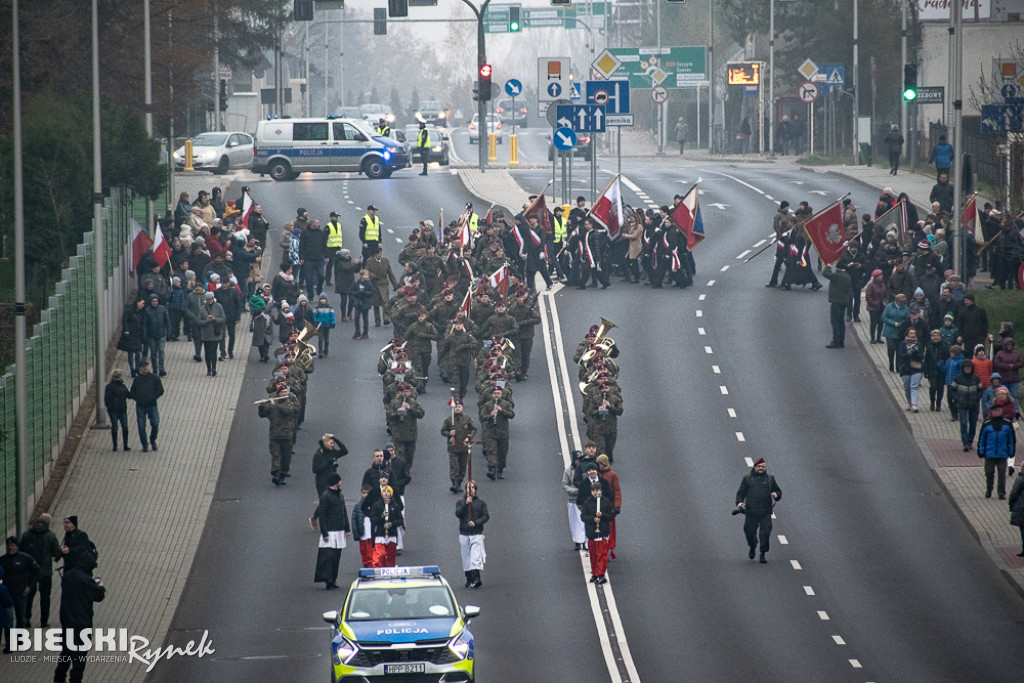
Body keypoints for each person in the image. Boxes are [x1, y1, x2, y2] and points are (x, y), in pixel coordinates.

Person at [52, 551, 104, 683]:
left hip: (67, 620)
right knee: (80, 655)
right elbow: (98, 596)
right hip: (82, 623)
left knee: (66, 652)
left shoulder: (68, 576)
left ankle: (59, 677)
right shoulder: (86, 580)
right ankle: (75, 679)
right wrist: (100, 587)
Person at [735, 457, 782, 564]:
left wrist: (776, 495)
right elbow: (740, 493)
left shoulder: (770, 479)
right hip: (751, 511)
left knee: (765, 533)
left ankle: (763, 553)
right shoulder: (747, 479)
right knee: (749, 532)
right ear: (755, 467)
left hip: (765, 511)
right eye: (759, 466)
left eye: (763, 467)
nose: (761, 468)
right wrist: (739, 503)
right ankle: (753, 545)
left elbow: (778, 492)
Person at [18, 514, 62, 628]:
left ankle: (26, 619)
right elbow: (56, 553)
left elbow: (21, 550)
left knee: (29, 595)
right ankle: (43, 621)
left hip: (30, 571)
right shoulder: (50, 536)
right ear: (48, 523)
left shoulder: (27, 535)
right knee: (45, 596)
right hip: (45, 572)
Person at [313, 473, 350, 590]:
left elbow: (344, 512)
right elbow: (322, 516)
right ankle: (328, 579)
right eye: (340, 480)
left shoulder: (340, 495)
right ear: (336, 482)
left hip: (339, 531)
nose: (341, 482)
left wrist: (347, 528)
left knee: (336, 557)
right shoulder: (326, 497)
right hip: (330, 531)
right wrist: (324, 533)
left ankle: (333, 578)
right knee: (328, 557)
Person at [258, 387, 300, 485]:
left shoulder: (289, 403)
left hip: (286, 434)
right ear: (278, 393)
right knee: (276, 455)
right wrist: (262, 406)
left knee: (286, 456)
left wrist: (274, 404)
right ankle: (276, 474)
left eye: (285, 392)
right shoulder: (272, 404)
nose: (284, 394)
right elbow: (262, 414)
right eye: (282, 392)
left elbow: (288, 411)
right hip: (274, 434)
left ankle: (283, 473)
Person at [0, 536, 39, 641]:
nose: (10, 548)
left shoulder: (25, 558)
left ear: (17, 547)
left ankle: (20, 639)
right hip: (7, 594)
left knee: (21, 617)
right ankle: (10, 640)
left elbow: (37, 571)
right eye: (8, 546)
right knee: (8, 618)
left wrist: (30, 586)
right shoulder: (2, 560)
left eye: (12, 545)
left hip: (21, 593)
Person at [581, 482, 617, 585]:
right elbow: (583, 517)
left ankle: (601, 574)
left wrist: (603, 515)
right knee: (593, 555)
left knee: (601, 554)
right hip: (592, 532)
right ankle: (595, 573)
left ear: (601, 491)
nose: (596, 493)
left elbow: (610, 516)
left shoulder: (605, 502)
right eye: (594, 491)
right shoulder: (587, 503)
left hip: (602, 532)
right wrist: (593, 519)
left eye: (598, 490)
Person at [977, 402, 1015, 499]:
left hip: (1002, 454)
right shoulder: (987, 423)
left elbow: (1011, 439)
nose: (995, 412)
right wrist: (980, 450)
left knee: (1002, 474)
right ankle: (989, 490)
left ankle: (1001, 493)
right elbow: (981, 438)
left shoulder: (1007, 423)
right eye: (994, 410)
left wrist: (1011, 452)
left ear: (1002, 411)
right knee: (989, 473)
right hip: (989, 454)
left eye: (998, 410)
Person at [455, 481, 489, 589]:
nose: (471, 490)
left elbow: (485, 516)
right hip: (464, 533)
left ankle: (476, 578)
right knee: (466, 557)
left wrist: (476, 523)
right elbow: (458, 514)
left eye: (473, 488)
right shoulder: (460, 502)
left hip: (476, 533)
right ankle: (469, 578)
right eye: (469, 488)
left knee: (475, 556)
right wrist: (466, 504)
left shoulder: (481, 503)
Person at [387, 382, 425, 472]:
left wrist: (410, 409)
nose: (405, 393)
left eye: (407, 391)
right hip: (398, 433)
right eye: (403, 391)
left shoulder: (413, 403)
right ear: (399, 392)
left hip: (411, 434)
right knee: (400, 454)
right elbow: (389, 416)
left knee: (409, 455)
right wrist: (397, 413)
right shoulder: (394, 403)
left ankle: (407, 469)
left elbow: (421, 414)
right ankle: (400, 471)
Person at [128, 360, 163, 453]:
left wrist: (153, 397)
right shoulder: (137, 379)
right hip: (140, 406)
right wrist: (137, 398)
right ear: (140, 369)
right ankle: (144, 444)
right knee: (141, 426)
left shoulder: (154, 378)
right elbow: (132, 392)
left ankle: (152, 440)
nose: (145, 368)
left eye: (146, 366)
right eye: (143, 367)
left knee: (155, 423)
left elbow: (160, 390)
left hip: (152, 405)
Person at [481, 385, 515, 480]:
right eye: (494, 393)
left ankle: (500, 469)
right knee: (491, 450)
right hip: (491, 431)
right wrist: (490, 415)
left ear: (501, 394)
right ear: (492, 395)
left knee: (502, 453)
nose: (496, 395)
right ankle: (491, 469)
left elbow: (512, 415)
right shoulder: (487, 405)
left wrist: (502, 411)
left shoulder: (506, 404)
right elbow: (482, 417)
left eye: (498, 393)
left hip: (503, 432)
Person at [442, 400, 477, 494]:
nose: (457, 408)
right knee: (454, 466)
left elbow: (473, 429)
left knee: (462, 466)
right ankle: (454, 483)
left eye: (459, 407)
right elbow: (443, 431)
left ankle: (459, 483)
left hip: (464, 446)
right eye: (455, 407)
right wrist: (449, 433)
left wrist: (469, 437)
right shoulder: (449, 419)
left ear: (462, 408)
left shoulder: (467, 419)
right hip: (453, 446)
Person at [951, 358, 983, 451]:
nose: (967, 369)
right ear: (963, 368)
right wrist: (957, 398)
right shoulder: (958, 378)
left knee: (973, 424)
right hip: (962, 404)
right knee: (964, 423)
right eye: (966, 367)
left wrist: (977, 399)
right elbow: (952, 390)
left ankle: (970, 441)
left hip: (974, 405)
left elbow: (980, 390)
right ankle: (965, 442)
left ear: (972, 368)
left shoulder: (976, 378)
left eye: (969, 367)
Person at [370, 485, 403, 568]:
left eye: (388, 492)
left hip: (391, 535)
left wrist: (392, 524)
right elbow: (373, 520)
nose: (386, 493)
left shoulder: (395, 506)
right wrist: (381, 516)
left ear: (391, 494)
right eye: (384, 492)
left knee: (390, 560)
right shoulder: (377, 506)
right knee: (378, 559)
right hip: (380, 535)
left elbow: (400, 520)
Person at [596, 454, 622, 560]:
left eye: (600, 464)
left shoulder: (612, 475)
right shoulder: (596, 474)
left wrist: (617, 506)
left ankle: (606, 548)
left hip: (608, 506)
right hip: (598, 505)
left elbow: (617, 491)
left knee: (609, 529)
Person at [195, 291, 226, 376]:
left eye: (211, 299)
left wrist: (215, 319)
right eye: (208, 299)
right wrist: (206, 321)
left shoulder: (219, 306)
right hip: (205, 334)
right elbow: (198, 321)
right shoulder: (202, 308)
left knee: (214, 352)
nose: (209, 301)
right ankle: (208, 369)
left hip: (216, 334)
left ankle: (214, 368)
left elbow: (223, 318)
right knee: (207, 352)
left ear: (213, 298)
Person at [562, 450, 588, 551]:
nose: (579, 462)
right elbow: (565, 485)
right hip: (573, 500)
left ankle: (585, 541)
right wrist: (575, 491)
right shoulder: (569, 471)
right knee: (575, 522)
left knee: (585, 521)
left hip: (585, 500)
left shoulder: (585, 470)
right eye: (577, 460)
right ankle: (577, 541)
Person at [311, 433, 348, 502]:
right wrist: (327, 464)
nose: (333, 445)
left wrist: (336, 440)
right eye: (331, 443)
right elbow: (315, 469)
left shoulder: (333, 452)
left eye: (333, 443)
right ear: (325, 443)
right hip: (322, 482)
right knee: (325, 501)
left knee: (334, 501)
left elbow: (344, 451)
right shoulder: (318, 454)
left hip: (333, 481)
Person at [822, 265, 851, 348]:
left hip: (836, 302)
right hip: (844, 302)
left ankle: (836, 340)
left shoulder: (837, 276)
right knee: (841, 321)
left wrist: (828, 267)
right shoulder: (848, 276)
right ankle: (841, 341)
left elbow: (825, 274)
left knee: (835, 321)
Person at [897, 327, 925, 412]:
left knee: (914, 386)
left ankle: (914, 404)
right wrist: (908, 354)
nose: (912, 335)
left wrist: (915, 353)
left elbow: (921, 356)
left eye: (914, 333)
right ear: (907, 334)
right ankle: (909, 402)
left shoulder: (918, 344)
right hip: (905, 368)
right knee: (907, 387)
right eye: (911, 333)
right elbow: (900, 356)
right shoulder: (903, 344)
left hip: (916, 368)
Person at [103, 369, 131, 451]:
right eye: (120, 375)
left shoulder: (122, 385)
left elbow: (128, 394)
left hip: (122, 410)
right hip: (114, 411)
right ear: (118, 376)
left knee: (124, 427)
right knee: (116, 427)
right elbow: (107, 399)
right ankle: (116, 445)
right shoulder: (110, 387)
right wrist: (110, 408)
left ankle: (124, 445)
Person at [882, 293, 910, 372]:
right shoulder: (889, 307)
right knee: (891, 348)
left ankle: (898, 365)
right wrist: (893, 323)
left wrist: (901, 324)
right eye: (901, 302)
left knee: (899, 350)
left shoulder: (906, 309)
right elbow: (884, 317)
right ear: (897, 301)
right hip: (890, 332)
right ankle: (891, 363)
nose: (902, 304)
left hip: (900, 332)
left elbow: (907, 320)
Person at [352, 485, 374, 568]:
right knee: (364, 550)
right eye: (364, 493)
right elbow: (354, 520)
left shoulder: (375, 505)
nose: (366, 495)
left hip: (372, 532)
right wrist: (356, 533)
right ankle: (366, 565)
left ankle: (372, 564)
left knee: (372, 550)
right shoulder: (358, 507)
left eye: (368, 493)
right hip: (363, 533)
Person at [1009, 470, 1024, 557]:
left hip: (1022, 507)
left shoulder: (1020, 479)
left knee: (1023, 528)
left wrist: (1011, 505)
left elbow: (1014, 493)